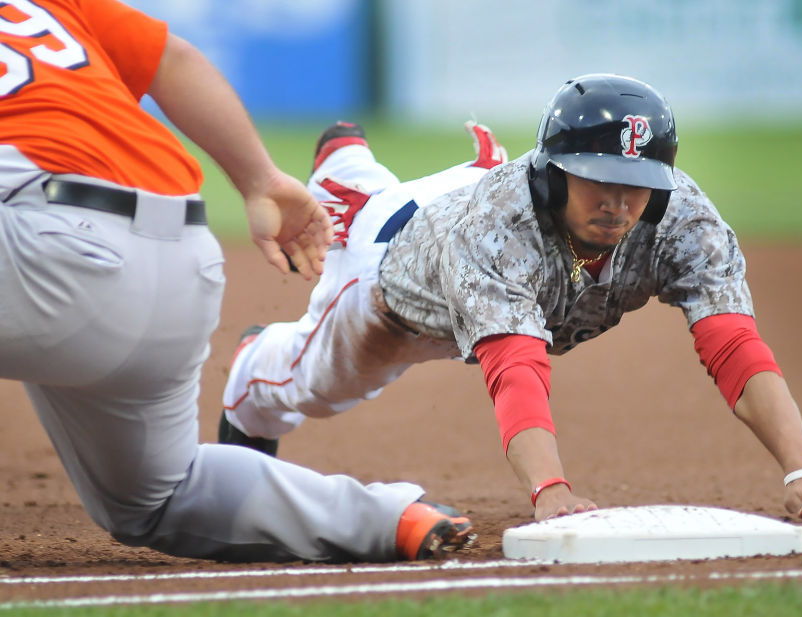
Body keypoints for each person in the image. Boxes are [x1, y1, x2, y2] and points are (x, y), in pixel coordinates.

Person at [219, 73, 802, 524]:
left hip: (457, 209)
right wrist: (550, 488)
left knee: (416, 204)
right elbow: (515, 363)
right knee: (315, 385)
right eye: (597, 179)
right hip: (392, 285)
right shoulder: (498, 230)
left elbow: (733, 342)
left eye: (638, 181)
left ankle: (349, 171)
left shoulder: (684, 218)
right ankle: (258, 356)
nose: (619, 200)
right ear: (553, 173)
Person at [0, 0, 475, 563]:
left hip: (43, 244)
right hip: (182, 258)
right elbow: (171, 59)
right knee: (157, 497)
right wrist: (260, 181)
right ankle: (389, 520)